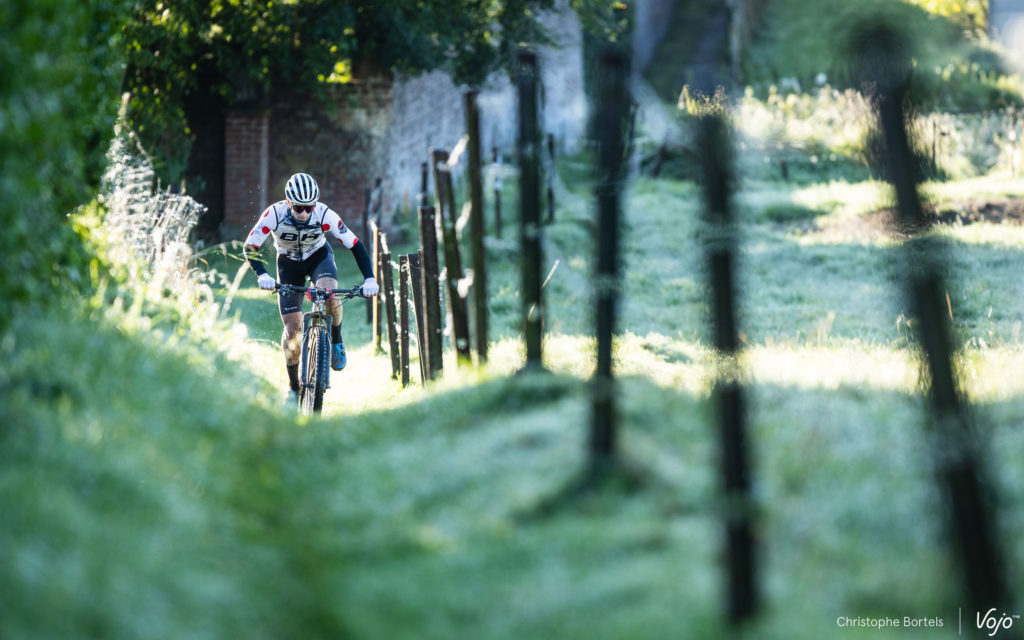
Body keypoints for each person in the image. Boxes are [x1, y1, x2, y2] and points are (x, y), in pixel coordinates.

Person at [243, 172, 379, 403]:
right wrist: (262, 274)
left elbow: (355, 244)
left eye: (309, 207)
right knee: (292, 328)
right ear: (288, 203)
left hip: (318, 257)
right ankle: (294, 387)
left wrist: (370, 279)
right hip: (288, 263)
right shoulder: (273, 214)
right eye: (298, 208)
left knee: (329, 293)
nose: (304, 213)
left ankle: (336, 339)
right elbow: (250, 246)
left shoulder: (325, 214)